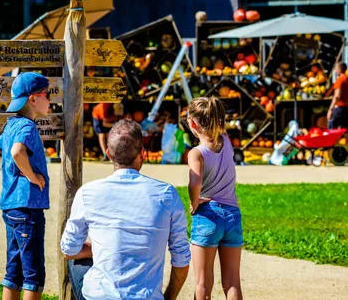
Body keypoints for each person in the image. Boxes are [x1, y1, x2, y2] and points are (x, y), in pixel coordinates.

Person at [60, 119, 190, 300]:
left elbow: (68, 250)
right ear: (142, 153)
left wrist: (97, 249)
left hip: (101, 295)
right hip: (146, 296)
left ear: (108, 153)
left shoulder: (88, 193)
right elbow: (182, 259)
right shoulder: (166, 195)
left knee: (76, 262)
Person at [0, 72, 51, 300]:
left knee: (13, 271)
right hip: (28, 207)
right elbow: (16, 152)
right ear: (33, 99)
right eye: (48, 94)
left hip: (11, 208)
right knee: (33, 275)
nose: (50, 100)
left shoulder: (11, 124)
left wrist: (12, 172)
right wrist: (32, 176)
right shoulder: (28, 127)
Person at [186, 97, 243, 300]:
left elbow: (194, 183)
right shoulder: (226, 140)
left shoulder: (196, 153)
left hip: (207, 216)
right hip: (233, 215)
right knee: (232, 282)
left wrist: (194, 202)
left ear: (192, 124)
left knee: (203, 283)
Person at [327, 62, 348, 131]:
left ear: (339, 70)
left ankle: (333, 142)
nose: (335, 70)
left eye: (336, 69)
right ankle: (347, 142)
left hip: (339, 108)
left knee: (332, 127)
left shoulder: (340, 80)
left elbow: (337, 96)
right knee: (346, 130)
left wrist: (330, 109)